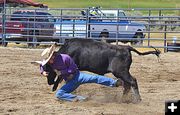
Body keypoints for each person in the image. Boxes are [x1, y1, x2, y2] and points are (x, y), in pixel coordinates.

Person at [34, 44, 121, 102]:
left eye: (50, 59)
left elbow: (73, 68)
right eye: (48, 60)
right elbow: (42, 65)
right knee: (59, 94)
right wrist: (43, 72)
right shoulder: (50, 62)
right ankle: (82, 99)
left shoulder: (65, 58)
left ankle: (114, 82)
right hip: (70, 81)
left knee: (96, 78)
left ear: (53, 55)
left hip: (77, 76)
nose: (49, 62)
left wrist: (61, 72)